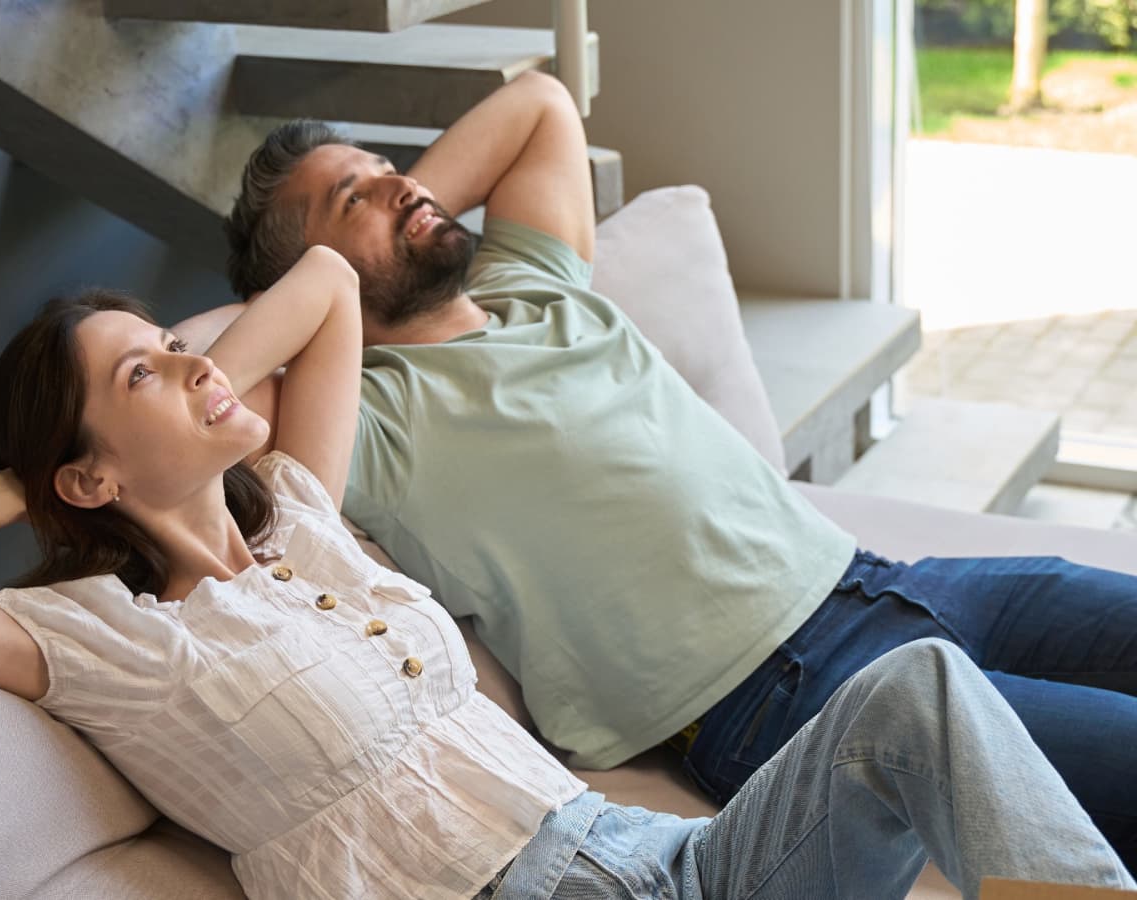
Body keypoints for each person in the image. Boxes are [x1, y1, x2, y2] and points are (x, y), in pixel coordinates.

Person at [0, 246, 1133, 900]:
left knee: (919, 690)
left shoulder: (303, 511)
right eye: (143, 375)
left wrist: (180, 381)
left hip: (679, 866)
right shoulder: (102, 640)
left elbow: (329, 285)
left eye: (174, 343)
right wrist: (21, 488)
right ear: (85, 480)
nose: (197, 366)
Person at [187, 69, 1137, 869]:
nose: (405, 190)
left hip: (889, 584)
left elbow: (542, 103)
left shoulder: (531, 284)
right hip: (791, 696)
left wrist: (387, 200)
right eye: (353, 199)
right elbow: (186, 392)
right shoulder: (368, 419)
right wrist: (329, 281)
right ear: (303, 289)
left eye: (393, 173)